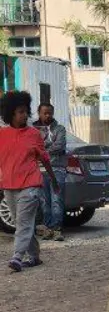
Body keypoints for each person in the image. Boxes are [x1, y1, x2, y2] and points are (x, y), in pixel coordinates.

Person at [0, 90, 61, 272]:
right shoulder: (2, 135)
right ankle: (34, 256)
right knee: (22, 222)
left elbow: (45, 158)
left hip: (31, 184)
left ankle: (17, 257)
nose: (25, 114)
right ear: (10, 113)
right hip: (10, 186)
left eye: (26, 111)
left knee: (24, 223)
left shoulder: (34, 134)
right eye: (20, 111)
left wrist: (54, 180)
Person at [34, 101, 67, 241]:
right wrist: (45, 148)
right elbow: (33, 147)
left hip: (57, 168)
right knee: (44, 201)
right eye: (44, 113)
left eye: (50, 113)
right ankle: (47, 229)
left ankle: (57, 229)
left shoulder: (59, 129)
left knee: (56, 200)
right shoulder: (33, 130)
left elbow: (59, 146)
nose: (47, 115)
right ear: (39, 113)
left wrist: (42, 150)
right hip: (39, 170)